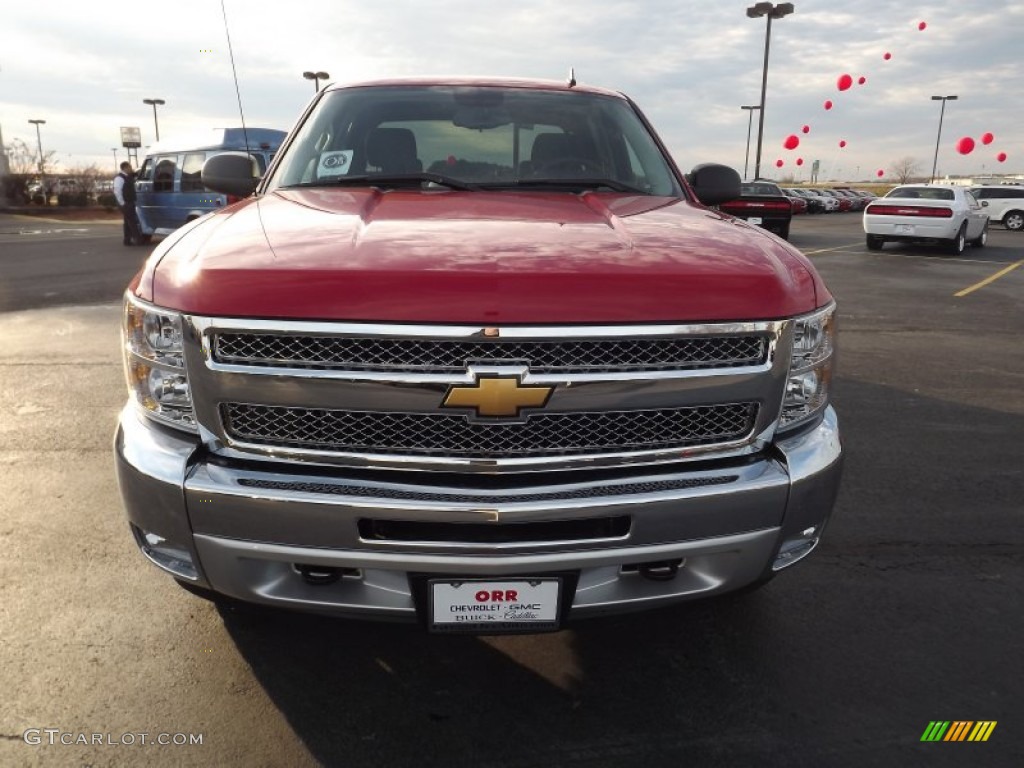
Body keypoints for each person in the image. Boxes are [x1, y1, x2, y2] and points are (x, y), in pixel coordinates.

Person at [113, 161, 142, 246]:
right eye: (129, 167)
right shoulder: (119, 178)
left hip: (129, 202)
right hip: (126, 203)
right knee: (132, 221)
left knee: (127, 222)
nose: (131, 169)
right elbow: (117, 191)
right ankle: (138, 240)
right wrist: (122, 203)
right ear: (125, 168)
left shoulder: (128, 177)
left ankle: (127, 240)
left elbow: (135, 174)